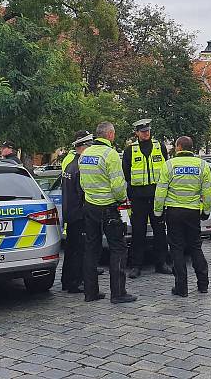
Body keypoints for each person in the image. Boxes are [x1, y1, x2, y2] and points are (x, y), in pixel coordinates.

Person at [80, 121, 136, 304]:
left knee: (91, 249)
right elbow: (118, 185)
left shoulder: (85, 153)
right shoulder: (110, 154)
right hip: (108, 209)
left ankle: (91, 292)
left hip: (89, 206)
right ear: (110, 135)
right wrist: (121, 199)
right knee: (118, 249)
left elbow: (83, 183)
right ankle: (118, 293)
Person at [154, 136, 211, 297]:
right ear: (191, 148)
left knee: (177, 249)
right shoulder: (202, 165)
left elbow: (160, 192)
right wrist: (206, 211)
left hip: (174, 212)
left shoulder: (169, 165)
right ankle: (203, 285)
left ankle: (181, 288)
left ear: (179, 147)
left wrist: (158, 212)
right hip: (193, 211)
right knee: (195, 247)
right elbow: (208, 192)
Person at [122, 119, 171, 279]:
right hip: (138, 197)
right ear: (137, 133)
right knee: (138, 233)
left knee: (159, 232)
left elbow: (166, 170)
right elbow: (126, 174)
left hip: (157, 196)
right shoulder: (130, 150)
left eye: (148, 131)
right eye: (143, 132)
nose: (146, 133)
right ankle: (136, 266)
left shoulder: (160, 147)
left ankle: (161, 263)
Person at [59, 130, 94, 294]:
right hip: (79, 214)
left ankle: (67, 280)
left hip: (70, 212)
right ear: (84, 146)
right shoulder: (80, 166)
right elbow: (83, 193)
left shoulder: (70, 164)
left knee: (71, 249)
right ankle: (75, 282)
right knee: (79, 250)